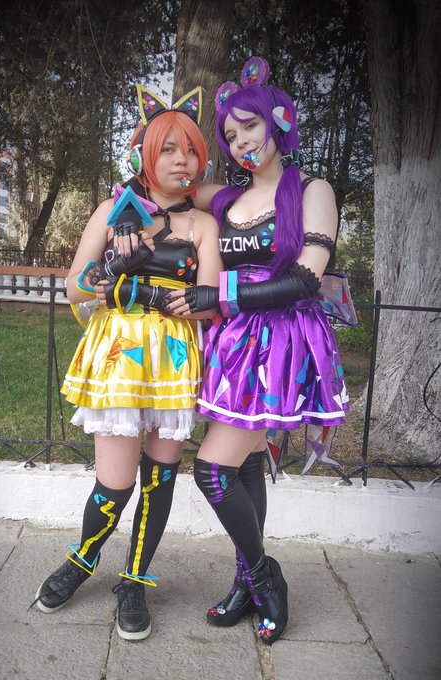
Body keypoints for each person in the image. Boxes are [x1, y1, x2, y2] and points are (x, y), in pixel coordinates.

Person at [164, 56, 349, 645]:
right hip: (232, 345)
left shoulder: (313, 191)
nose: (242, 141)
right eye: (231, 134)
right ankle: (247, 582)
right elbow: (166, 178)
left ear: (278, 121)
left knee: (212, 469)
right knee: (243, 464)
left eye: (250, 126)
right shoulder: (225, 198)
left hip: (282, 344)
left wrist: (219, 295)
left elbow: (305, 279)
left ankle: (267, 579)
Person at [32, 85, 222, 641]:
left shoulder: (202, 225)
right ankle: (83, 560)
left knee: (159, 479)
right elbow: (75, 286)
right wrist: (117, 272)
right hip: (121, 354)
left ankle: (134, 581)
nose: (182, 161)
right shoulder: (113, 212)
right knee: (114, 483)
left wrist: (187, 300)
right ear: (145, 153)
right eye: (169, 149)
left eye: (191, 150)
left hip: (174, 359)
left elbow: (210, 301)